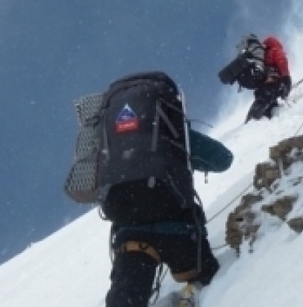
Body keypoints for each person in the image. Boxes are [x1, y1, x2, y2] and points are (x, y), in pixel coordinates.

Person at [91, 71, 233, 307]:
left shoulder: (110, 143)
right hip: (176, 225)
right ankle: (195, 288)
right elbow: (223, 159)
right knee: (205, 276)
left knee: (126, 298)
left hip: (129, 232)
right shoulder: (172, 132)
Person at [246, 36, 292, 122]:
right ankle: (253, 121)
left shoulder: (263, 56)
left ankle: (250, 124)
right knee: (266, 102)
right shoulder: (276, 50)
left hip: (263, 85)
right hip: (273, 82)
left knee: (263, 103)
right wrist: (286, 78)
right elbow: (281, 61)